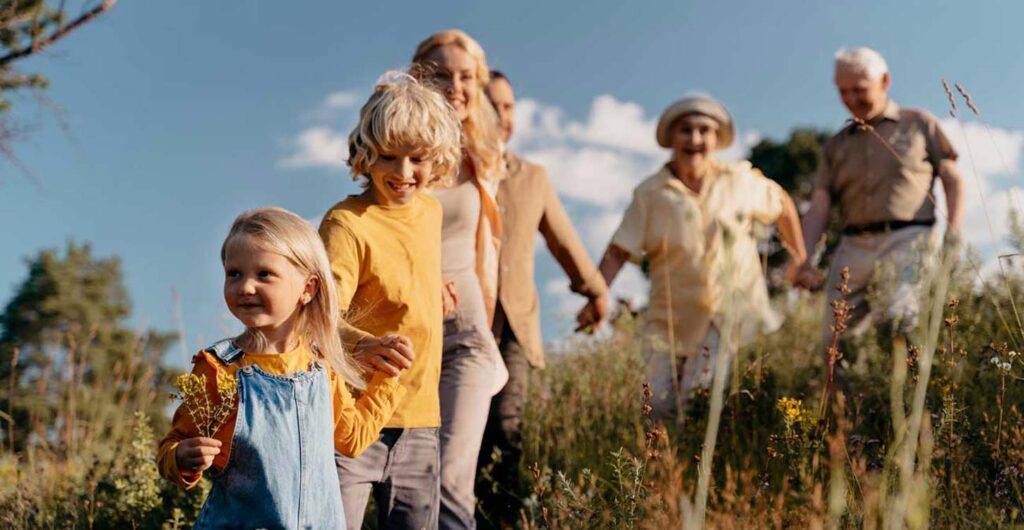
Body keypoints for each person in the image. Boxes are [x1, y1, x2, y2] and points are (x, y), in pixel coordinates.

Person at [157, 207, 408, 529]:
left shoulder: (319, 368)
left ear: (308, 288)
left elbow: (352, 439)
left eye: (264, 274)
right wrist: (182, 458)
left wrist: (386, 379)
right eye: (234, 274)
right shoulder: (219, 370)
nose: (246, 287)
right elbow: (174, 444)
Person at [578, 94, 808, 419]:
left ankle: (697, 467)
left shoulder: (738, 181)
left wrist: (799, 259)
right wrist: (595, 298)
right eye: (686, 130)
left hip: (723, 315)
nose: (695, 139)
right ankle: (662, 469)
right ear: (672, 137)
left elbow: (782, 203)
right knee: (655, 407)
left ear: (716, 139)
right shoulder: (650, 193)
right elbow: (619, 250)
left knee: (698, 401)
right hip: (668, 319)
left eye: (705, 131)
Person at [320, 72, 462, 530]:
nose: (403, 174)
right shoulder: (346, 223)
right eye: (388, 158)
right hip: (354, 417)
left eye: (416, 159)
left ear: (435, 158)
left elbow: (405, 261)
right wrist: (362, 345)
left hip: (421, 418)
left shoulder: (432, 212)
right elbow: (319, 315)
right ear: (365, 154)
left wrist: (431, 285)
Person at [476, 69, 609, 525]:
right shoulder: (446, 170)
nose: (502, 115)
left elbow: (563, 239)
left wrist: (594, 290)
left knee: (507, 430)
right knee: (457, 436)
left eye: (510, 106)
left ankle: (503, 521)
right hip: (460, 321)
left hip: (513, 324)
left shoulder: (532, 176)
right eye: (492, 104)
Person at [794, 47, 964, 347]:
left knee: (898, 322)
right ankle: (844, 395)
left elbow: (953, 179)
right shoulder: (835, 146)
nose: (851, 100)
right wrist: (805, 259)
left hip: (909, 238)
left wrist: (954, 234)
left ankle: (905, 391)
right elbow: (820, 205)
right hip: (852, 246)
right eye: (843, 91)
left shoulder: (918, 123)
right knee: (834, 339)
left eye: (859, 90)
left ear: (884, 81)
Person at [411, 29, 509, 530]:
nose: (455, 87)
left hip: (467, 336)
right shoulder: (398, 154)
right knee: (407, 486)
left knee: (450, 478)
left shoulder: (483, 161)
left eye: (466, 77)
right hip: (406, 338)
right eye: (441, 75)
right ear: (416, 80)